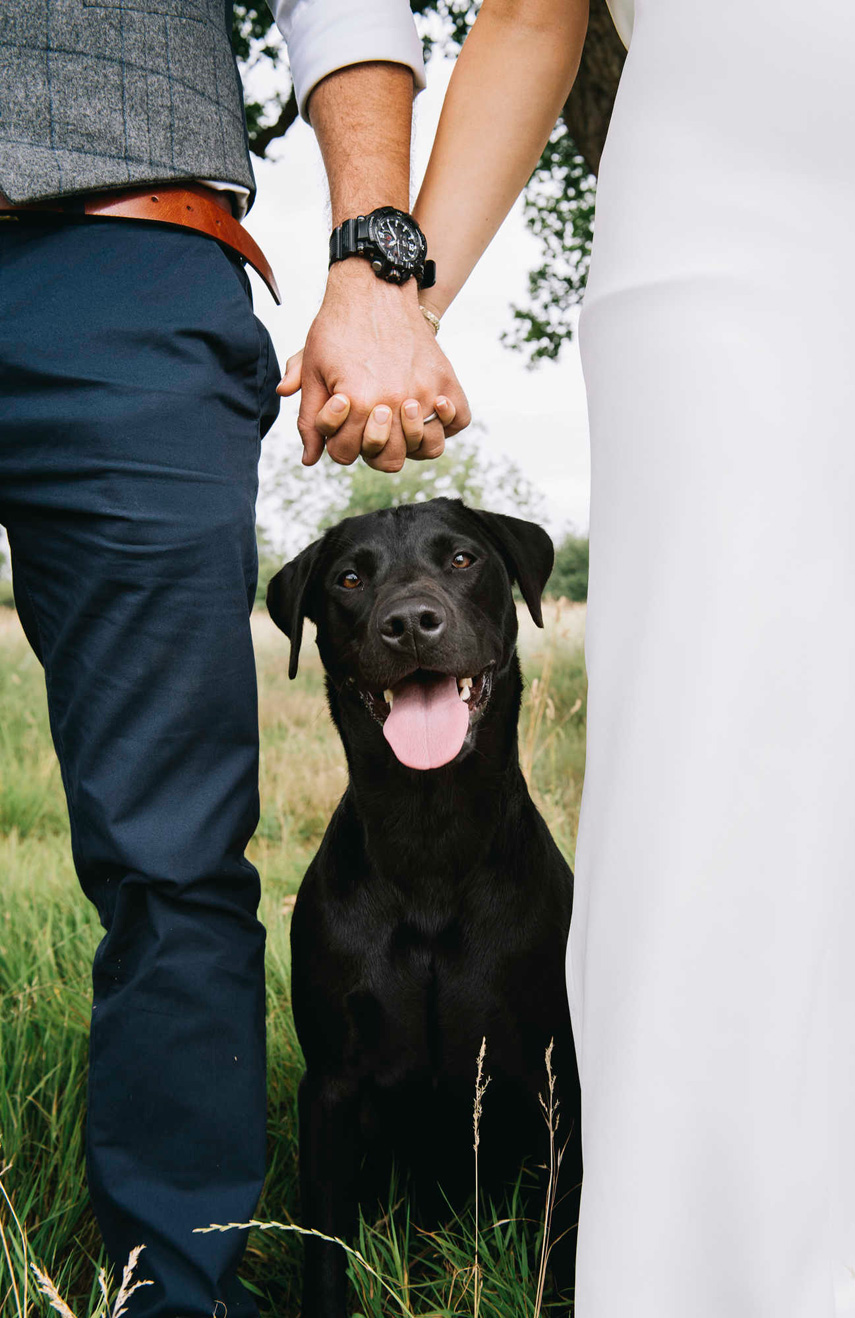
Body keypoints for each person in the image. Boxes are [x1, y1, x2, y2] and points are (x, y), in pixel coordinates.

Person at [315, 0, 855, 1312]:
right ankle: (716, 1263)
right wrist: (399, 286)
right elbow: (525, 11)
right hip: (731, 213)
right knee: (719, 735)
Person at [0, 1, 467, 1314]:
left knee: (172, 848)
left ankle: (177, 1292)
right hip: (123, 286)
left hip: (125, 266)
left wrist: (377, 258)